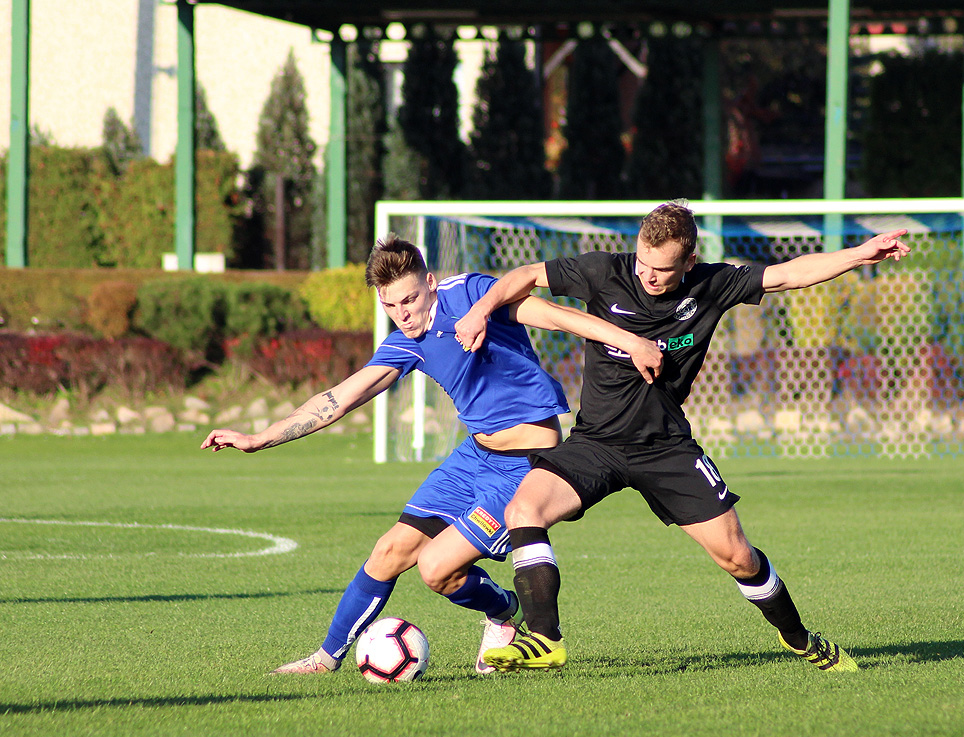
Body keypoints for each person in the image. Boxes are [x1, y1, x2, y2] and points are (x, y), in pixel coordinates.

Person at [454, 201, 911, 673]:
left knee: (738, 557)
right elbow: (526, 274)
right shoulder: (602, 271)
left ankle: (801, 641)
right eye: (643, 264)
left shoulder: (710, 284)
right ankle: (545, 640)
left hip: (666, 447)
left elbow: (788, 274)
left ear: (689, 262)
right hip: (595, 443)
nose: (649, 276)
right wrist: (483, 311)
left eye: (662, 269)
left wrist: (859, 254)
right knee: (523, 510)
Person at [201, 236, 662, 675]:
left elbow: (560, 317)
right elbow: (338, 399)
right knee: (388, 551)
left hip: (527, 465)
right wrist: (260, 438)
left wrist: (632, 341)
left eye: (409, 300)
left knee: (436, 568)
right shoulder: (404, 342)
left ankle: (505, 615)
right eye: (389, 305)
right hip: (474, 457)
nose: (402, 314)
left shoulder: (476, 294)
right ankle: (326, 656)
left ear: (430, 283)